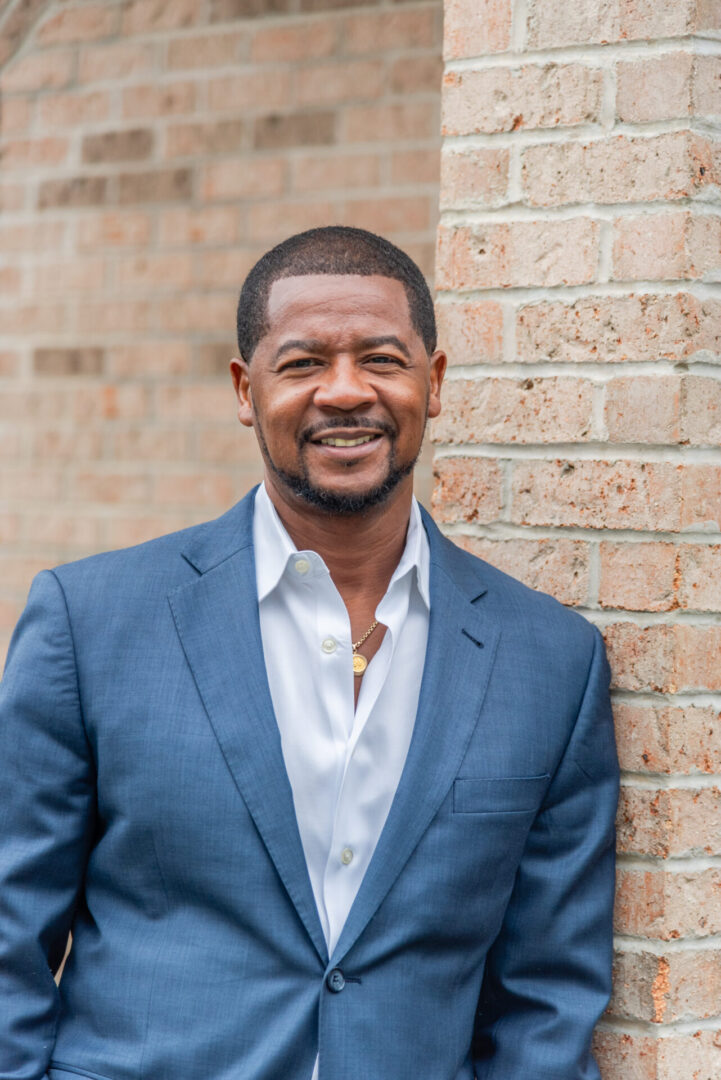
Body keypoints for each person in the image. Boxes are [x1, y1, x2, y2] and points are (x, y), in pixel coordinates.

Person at [0, 226, 619, 1080]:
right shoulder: (90, 622)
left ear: (431, 384)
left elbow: (548, 994)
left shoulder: (550, 661)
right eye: (301, 364)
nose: (344, 391)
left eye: (381, 358)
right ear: (244, 389)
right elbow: (9, 933)